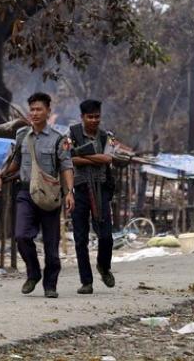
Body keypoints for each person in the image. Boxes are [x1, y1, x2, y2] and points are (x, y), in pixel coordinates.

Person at [0, 92, 74, 298]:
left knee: (51, 244)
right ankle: (33, 273)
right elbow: (15, 161)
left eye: (39, 109)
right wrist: (0, 174)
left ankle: (50, 285)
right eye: (32, 110)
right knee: (21, 236)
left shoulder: (59, 139)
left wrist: (69, 192)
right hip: (26, 192)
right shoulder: (22, 135)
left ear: (48, 111)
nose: (35, 113)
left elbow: (66, 167)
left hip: (49, 196)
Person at [69, 99, 117, 294]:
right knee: (80, 239)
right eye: (90, 117)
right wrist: (94, 158)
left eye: (97, 116)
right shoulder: (71, 134)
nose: (94, 120)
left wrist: (84, 157)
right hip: (79, 190)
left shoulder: (107, 136)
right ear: (82, 117)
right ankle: (86, 282)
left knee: (106, 236)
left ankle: (103, 267)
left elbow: (108, 158)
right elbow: (68, 158)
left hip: (101, 189)